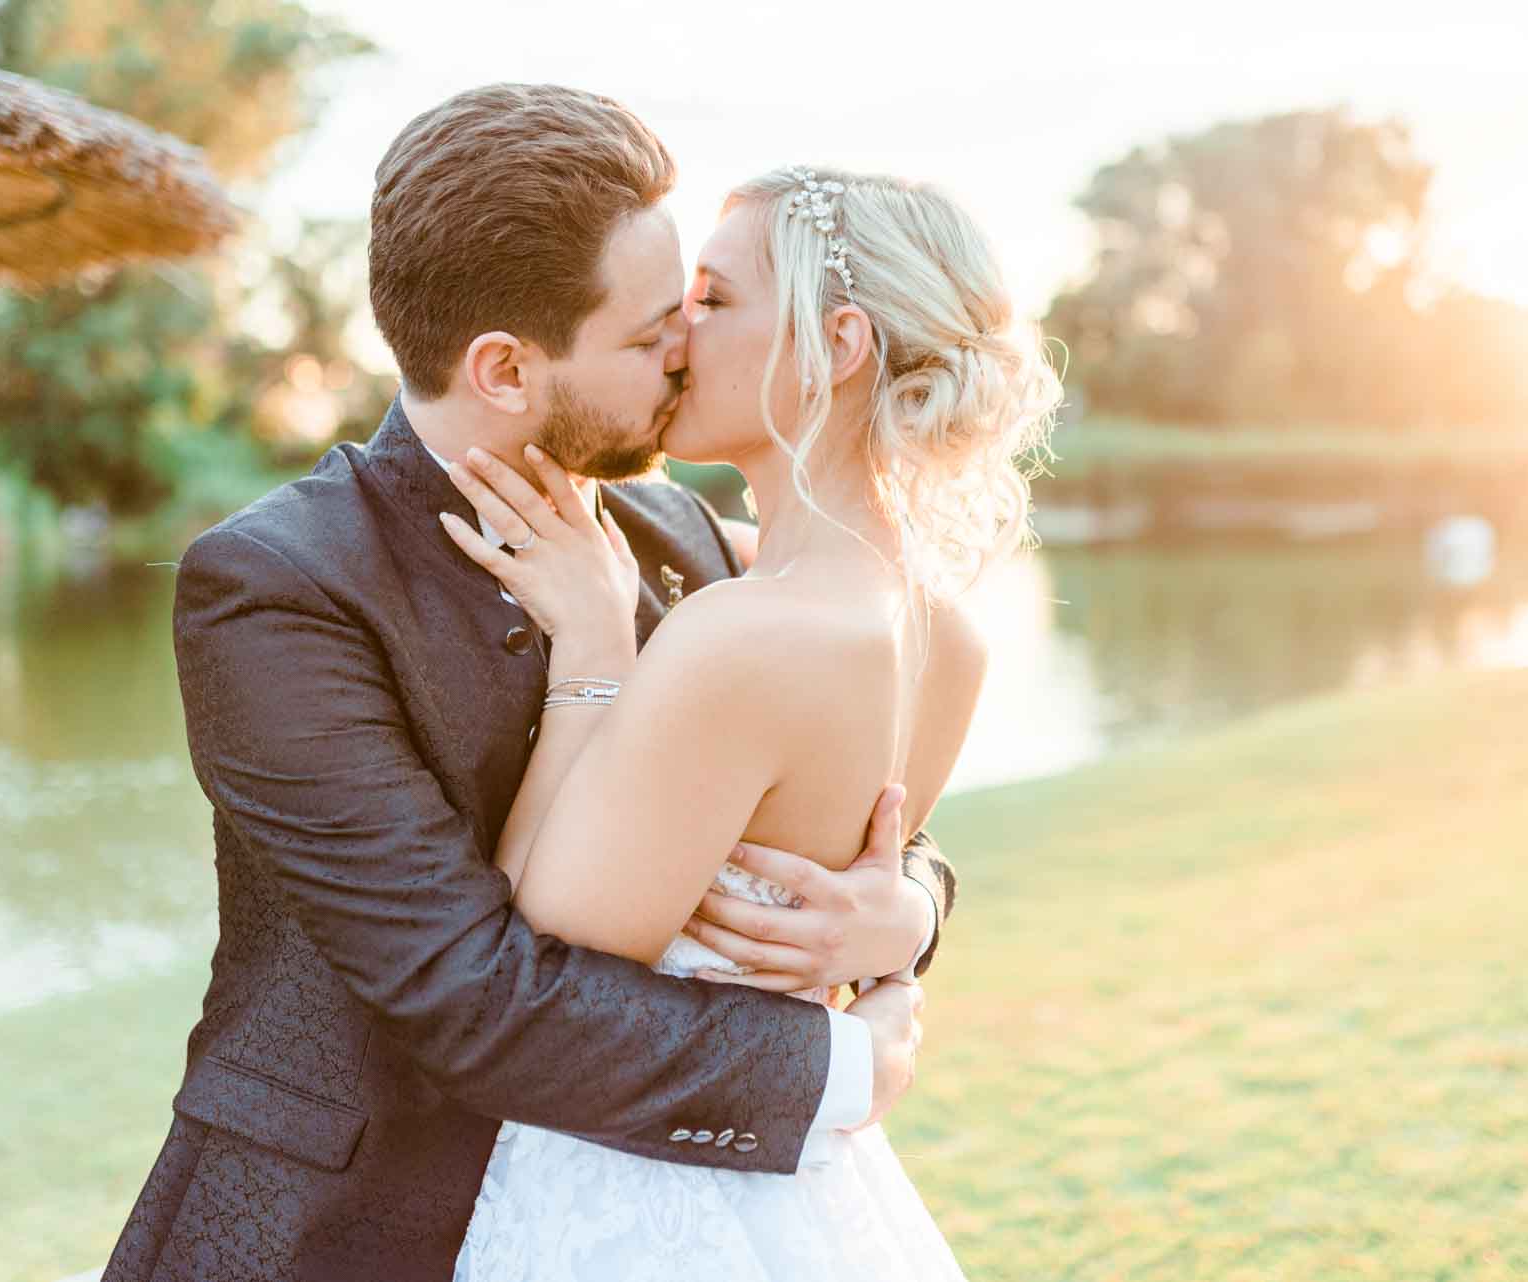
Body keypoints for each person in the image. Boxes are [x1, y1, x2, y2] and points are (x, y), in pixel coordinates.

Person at [102, 84, 962, 1282]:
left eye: (700, 307)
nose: (687, 351)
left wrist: (908, 907)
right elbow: (466, 993)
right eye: (653, 327)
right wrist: (839, 1069)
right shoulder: (279, 589)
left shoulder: (687, 541)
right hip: (341, 1230)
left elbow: (813, 802)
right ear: (506, 368)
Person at [442, 161, 1059, 1278]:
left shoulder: (741, 635)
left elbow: (539, 950)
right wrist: (908, 919)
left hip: (630, 1193)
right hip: (798, 1184)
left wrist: (591, 649)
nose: (678, 330)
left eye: (717, 301)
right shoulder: (946, 634)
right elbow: (878, 864)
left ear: (842, 344)